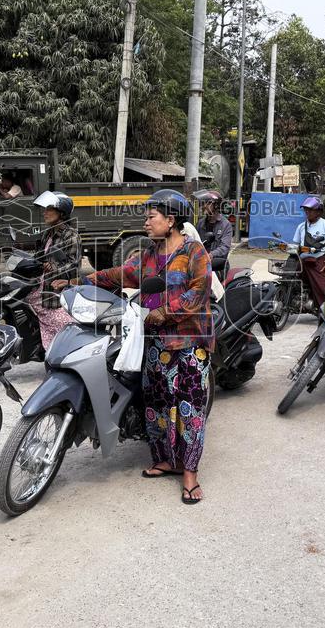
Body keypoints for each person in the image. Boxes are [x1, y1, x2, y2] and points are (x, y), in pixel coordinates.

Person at [54, 189, 213, 505]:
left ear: (170, 220)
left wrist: (164, 311)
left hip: (188, 343)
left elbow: (199, 292)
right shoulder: (149, 255)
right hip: (153, 341)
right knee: (155, 404)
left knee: (189, 409)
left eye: (151, 216)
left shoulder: (195, 252)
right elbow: (119, 274)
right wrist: (78, 282)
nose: (146, 222)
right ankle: (166, 459)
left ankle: (190, 473)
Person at [29, 191, 81, 353]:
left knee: (59, 322)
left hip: (58, 287)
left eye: (49, 209)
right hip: (43, 282)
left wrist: (54, 267)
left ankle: (64, 349)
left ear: (61, 212)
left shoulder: (70, 235)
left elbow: (74, 264)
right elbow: (40, 256)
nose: (45, 212)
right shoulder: (48, 233)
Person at [291, 196, 325, 308]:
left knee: (323, 289)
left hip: (318, 259)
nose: (307, 212)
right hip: (303, 259)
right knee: (288, 277)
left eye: (310, 209)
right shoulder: (301, 226)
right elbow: (296, 245)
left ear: (319, 211)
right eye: (306, 209)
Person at [194, 189, 233, 279]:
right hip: (201, 264)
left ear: (216, 205)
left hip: (218, 267)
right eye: (204, 203)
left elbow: (225, 247)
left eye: (207, 203)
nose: (204, 206)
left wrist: (211, 255)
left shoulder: (225, 225)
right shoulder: (200, 223)